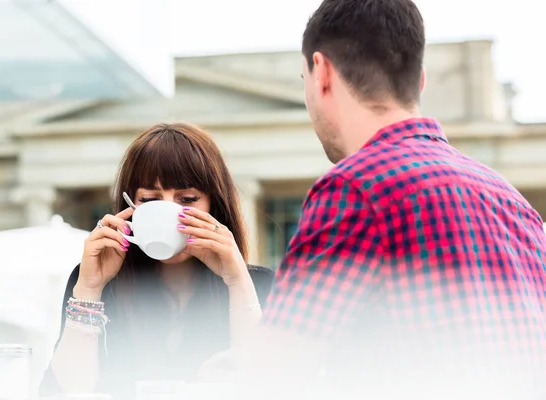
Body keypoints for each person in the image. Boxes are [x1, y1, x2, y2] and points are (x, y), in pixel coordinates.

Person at [200, 0, 546, 399]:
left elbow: (275, 378)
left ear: (322, 73)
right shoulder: (510, 201)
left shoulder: (356, 188)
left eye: (304, 79)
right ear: (420, 81)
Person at [40, 123, 274, 399]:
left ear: (214, 204)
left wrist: (237, 281)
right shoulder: (98, 281)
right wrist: (89, 289)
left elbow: (267, 386)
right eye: (150, 199)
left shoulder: (256, 283)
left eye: (187, 199)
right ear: (130, 206)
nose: (169, 212)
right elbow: (65, 390)